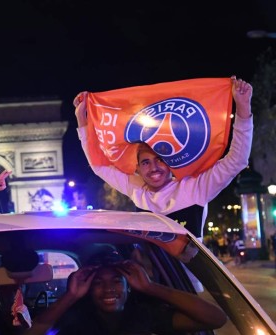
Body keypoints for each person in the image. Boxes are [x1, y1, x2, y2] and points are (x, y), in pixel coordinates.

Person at [74, 76, 253, 239]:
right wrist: (82, 120)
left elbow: (237, 160)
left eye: (160, 159)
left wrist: (243, 107)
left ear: (171, 161)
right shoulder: (137, 190)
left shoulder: (195, 188)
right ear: (137, 168)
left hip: (187, 276)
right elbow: (99, 166)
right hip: (151, 275)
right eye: (145, 162)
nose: (153, 168)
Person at [14, 248, 227, 335]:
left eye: (117, 281)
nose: (108, 289)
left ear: (129, 286)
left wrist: (151, 287)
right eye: (97, 282)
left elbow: (216, 319)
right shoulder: (77, 321)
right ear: (87, 289)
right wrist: (70, 297)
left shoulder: (148, 315)